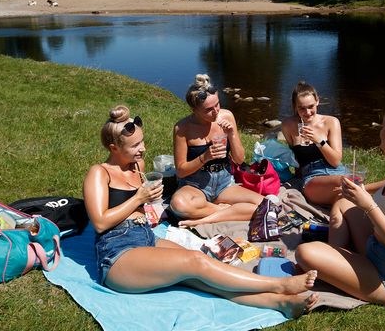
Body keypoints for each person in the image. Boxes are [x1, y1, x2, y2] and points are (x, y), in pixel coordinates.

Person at [83, 104, 319, 317]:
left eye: (142, 142)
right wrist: (138, 199)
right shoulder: (99, 173)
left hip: (145, 238)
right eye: (135, 146)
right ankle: (277, 285)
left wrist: (147, 205)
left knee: (203, 273)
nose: (143, 149)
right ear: (114, 147)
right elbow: (100, 223)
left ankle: (281, 304)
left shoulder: (137, 166)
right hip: (116, 255)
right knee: (196, 261)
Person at [295, 88, 385, 306]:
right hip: (379, 250)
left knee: (305, 253)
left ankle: (334, 263)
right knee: (342, 202)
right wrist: (359, 190)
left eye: (383, 127)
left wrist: (368, 205)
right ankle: (337, 260)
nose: (380, 132)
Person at [170, 74, 264, 226]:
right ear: (194, 109)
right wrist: (204, 157)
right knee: (179, 205)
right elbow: (181, 171)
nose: (216, 111)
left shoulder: (227, 116)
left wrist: (232, 134)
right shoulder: (183, 128)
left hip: (224, 183)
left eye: (217, 104)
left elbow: (239, 160)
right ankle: (225, 211)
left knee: (264, 204)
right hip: (195, 184)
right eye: (208, 109)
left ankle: (206, 216)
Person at [280, 81, 347, 205]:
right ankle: (372, 188)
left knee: (344, 191)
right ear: (295, 106)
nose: (307, 112)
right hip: (312, 176)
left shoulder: (331, 122)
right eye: (302, 108)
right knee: (348, 183)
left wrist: (319, 141)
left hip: (336, 171)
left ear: (317, 101)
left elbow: (336, 161)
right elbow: (297, 161)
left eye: (311, 106)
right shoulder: (288, 125)